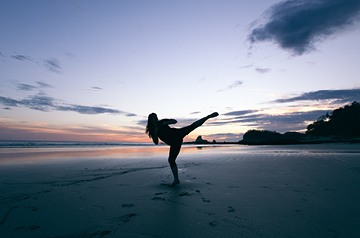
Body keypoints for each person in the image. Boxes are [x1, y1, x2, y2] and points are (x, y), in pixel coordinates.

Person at [146, 112, 219, 186]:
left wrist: (167, 122)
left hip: (178, 134)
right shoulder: (152, 129)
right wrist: (155, 132)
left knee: (192, 126)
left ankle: (208, 116)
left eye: (156, 117)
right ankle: (176, 180)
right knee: (171, 160)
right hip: (174, 143)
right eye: (154, 118)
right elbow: (156, 142)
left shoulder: (162, 122)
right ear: (150, 120)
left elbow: (175, 121)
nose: (156, 119)